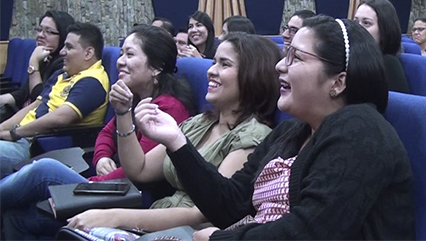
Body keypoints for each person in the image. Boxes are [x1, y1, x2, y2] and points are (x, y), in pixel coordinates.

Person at [134, 16, 415, 240]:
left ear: (338, 82)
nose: (280, 66)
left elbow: (311, 233)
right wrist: (176, 143)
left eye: (296, 58)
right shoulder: (291, 132)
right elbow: (229, 205)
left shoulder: (362, 130)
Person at [66, 33, 282, 234]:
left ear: (252, 76)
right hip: (156, 221)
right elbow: (139, 170)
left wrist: (115, 217)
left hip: (186, 231)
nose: (211, 71)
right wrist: (123, 113)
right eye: (214, 61)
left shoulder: (253, 136)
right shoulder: (201, 123)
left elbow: (204, 212)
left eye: (224, 64)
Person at [0, 25, 193, 239]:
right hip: (110, 184)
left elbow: (140, 173)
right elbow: (105, 133)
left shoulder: (168, 109)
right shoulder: (135, 95)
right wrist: (101, 157)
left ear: (156, 67)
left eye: (130, 55)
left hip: (132, 196)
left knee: (44, 171)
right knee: (16, 217)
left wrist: (94, 183)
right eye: (121, 53)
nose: (120, 61)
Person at [0, 22, 109, 179]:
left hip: (36, 146)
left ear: (88, 53)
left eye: (69, 47)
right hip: (21, 138)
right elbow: (35, 105)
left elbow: (61, 117)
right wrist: (2, 128)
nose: (62, 52)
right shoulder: (64, 74)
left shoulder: (92, 81)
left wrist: (15, 133)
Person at [0, 10, 75, 122]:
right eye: (40, 30)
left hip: (33, 124)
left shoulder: (64, 65)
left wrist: (33, 63)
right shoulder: (44, 58)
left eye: (48, 32)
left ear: (64, 36)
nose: (40, 35)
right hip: (21, 116)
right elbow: (22, 95)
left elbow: (40, 100)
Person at [353, 0, 410, 93]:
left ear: (384, 30)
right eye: (355, 22)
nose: (357, 28)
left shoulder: (389, 64)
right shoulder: (351, 59)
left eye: (366, 23)